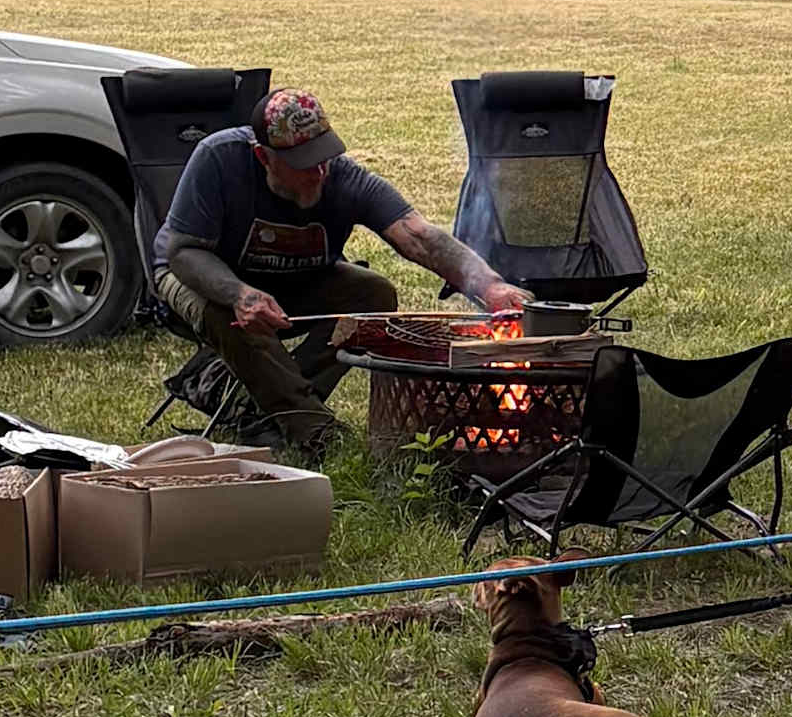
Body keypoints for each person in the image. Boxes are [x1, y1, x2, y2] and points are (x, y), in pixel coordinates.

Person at [151, 87, 518, 459]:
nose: (319, 172)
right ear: (264, 157)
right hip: (199, 276)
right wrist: (239, 294)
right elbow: (184, 252)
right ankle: (318, 433)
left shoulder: (343, 179)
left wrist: (490, 286)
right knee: (228, 312)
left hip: (294, 283)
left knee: (373, 294)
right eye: (303, 163)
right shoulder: (219, 159)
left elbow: (418, 236)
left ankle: (259, 410)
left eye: (324, 156)